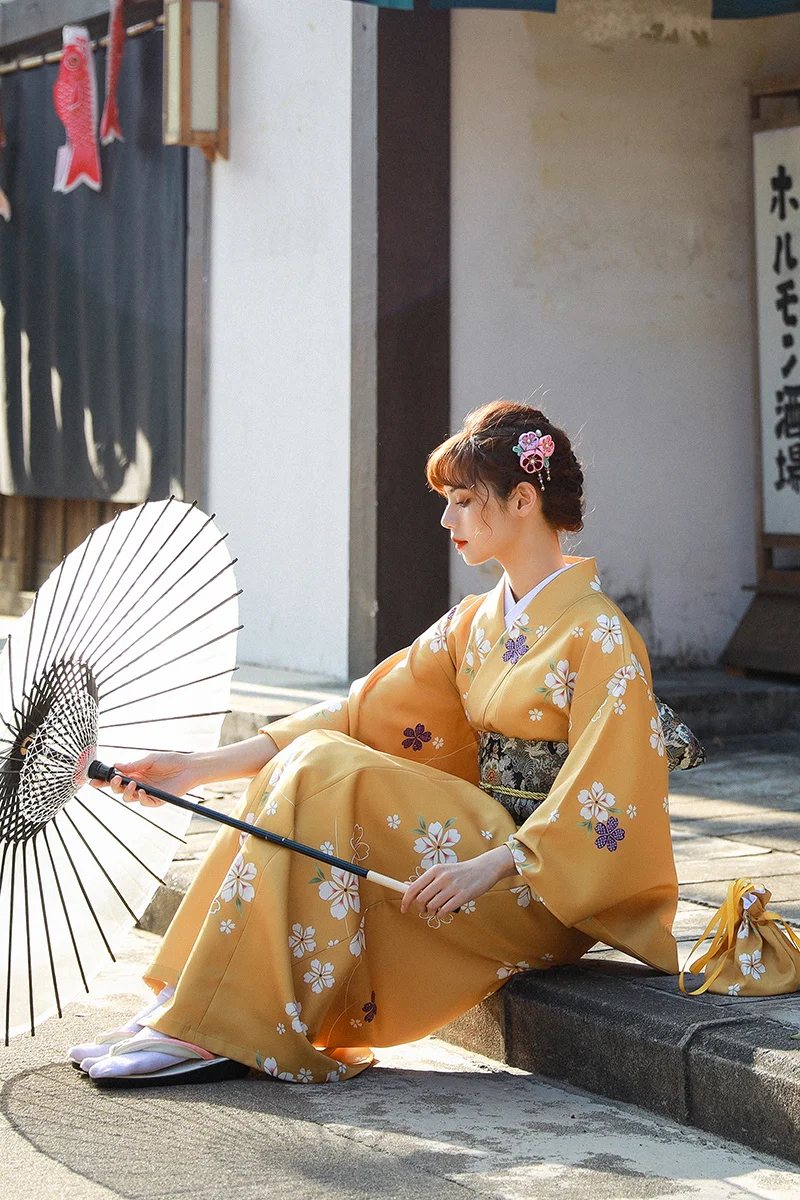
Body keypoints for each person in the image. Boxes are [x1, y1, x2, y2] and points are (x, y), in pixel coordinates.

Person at [70, 400, 679, 1087]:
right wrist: (194, 770)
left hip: (539, 884)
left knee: (329, 771)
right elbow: (359, 715)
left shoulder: (599, 635)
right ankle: (194, 1003)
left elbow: (610, 798)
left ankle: (220, 1022)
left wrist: (489, 867)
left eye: (462, 500)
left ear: (521, 499)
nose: (447, 520)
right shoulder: (476, 623)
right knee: (315, 761)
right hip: (477, 854)